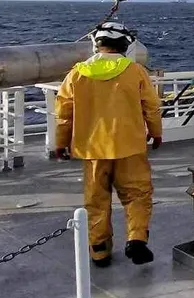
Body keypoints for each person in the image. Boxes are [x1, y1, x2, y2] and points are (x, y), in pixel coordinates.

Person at [54, 21, 162, 268]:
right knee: (137, 195)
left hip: (93, 150)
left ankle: (99, 251)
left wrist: (61, 142)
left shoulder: (77, 73)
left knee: (97, 201)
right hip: (130, 146)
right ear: (125, 45)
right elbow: (152, 107)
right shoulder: (135, 71)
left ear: (96, 44)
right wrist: (156, 133)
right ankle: (136, 239)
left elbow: (63, 112)